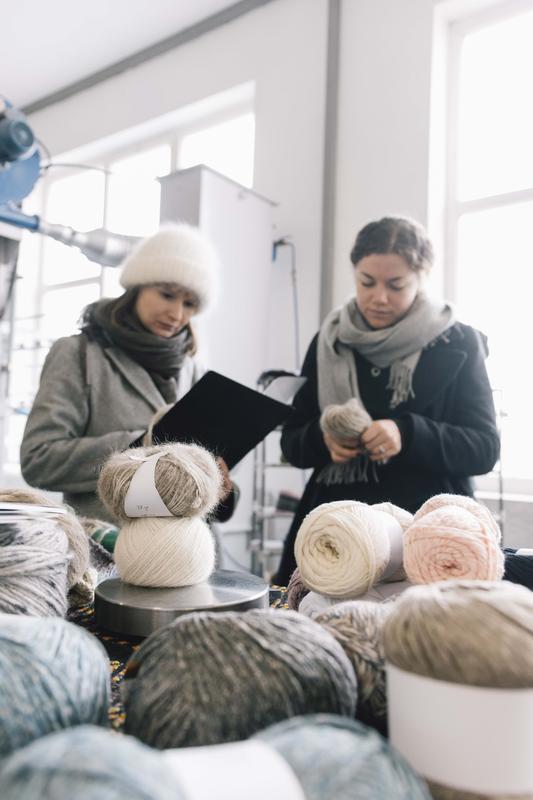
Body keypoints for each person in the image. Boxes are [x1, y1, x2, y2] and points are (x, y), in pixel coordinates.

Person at [273, 216, 500, 584]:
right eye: (367, 282)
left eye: (396, 285)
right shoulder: (329, 341)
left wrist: (407, 433)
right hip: (335, 536)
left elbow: (484, 448)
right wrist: (323, 440)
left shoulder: (458, 341)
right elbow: (292, 441)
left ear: (421, 277)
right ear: (354, 273)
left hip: (427, 537)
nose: (379, 297)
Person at [20, 222, 235, 522]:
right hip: (110, 548)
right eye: (167, 294)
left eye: (189, 303)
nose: (177, 314)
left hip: (189, 551)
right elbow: (39, 459)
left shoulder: (192, 369)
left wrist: (217, 480)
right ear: (137, 287)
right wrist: (141, 445)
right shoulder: (79, 354)